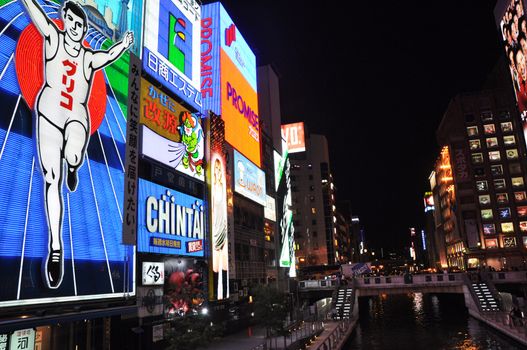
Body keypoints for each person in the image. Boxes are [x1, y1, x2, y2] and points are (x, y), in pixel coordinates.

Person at [21, 0, 133, 289]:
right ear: (65, 20)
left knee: (72, 153)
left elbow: (108, 56)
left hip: (75, 118)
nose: (74, 27)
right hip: (48, 114)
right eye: (70, 21)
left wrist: (124, 44)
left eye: (79, 24)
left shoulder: (87, 57)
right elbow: (37, 14)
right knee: (50, 179)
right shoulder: (53, 37)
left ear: (84, 29)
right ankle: (56, 249)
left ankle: (74, 164)